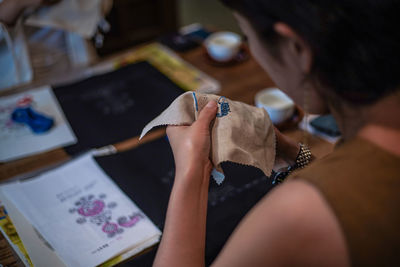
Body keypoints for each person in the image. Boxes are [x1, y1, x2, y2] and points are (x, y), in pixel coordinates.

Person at [153, 0, 400, 266]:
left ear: (296, 48)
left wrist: (193, 172)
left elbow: (332, 202)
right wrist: (291, 154)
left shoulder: (297, 213)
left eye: (248, 37)